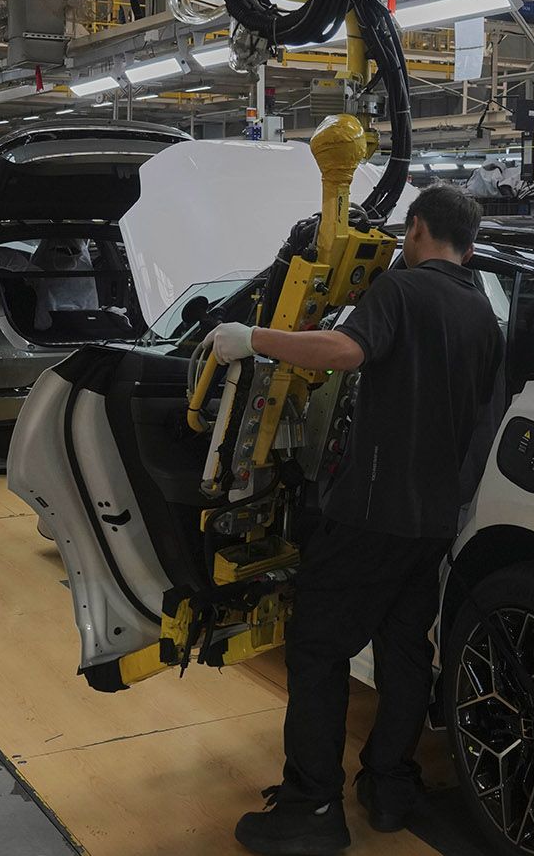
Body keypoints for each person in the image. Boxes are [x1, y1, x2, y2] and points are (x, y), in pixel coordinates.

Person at [208, 186, 502, 855]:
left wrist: (249, 338)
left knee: (316, 647)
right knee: (405, 650)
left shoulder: (403, 291)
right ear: (471, 243)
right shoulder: (483, 313)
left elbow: (344, 352)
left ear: (419, 228)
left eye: (407, 234)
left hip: (372, 510)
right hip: (433, 519)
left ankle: (312, 805)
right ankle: (389, 785)